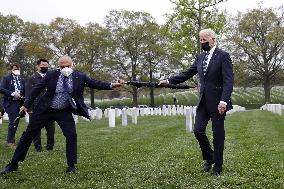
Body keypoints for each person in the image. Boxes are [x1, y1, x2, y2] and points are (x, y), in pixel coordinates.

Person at [0, 55, 124, 174]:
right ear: (58, 66)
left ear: (72, 65)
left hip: (63, 111)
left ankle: (71, 165)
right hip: (45, 109)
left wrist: (112, 85)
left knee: (71, 135)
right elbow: (36, 89)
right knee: (28, 134)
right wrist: (26, 104)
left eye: (67, 66)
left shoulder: (79, 77)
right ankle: (13, 164)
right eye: (61, 66)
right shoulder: (51, 75)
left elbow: (95, 83)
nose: (65, 69)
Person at [159, 29, 234, 177]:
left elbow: (228, 81)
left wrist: (224, 101)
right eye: (200, 40)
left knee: (218, 135)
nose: (202, 43)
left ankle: (217, 167)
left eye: (204, 39)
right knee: (198, 130)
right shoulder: (200, 57)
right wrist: (168, 81)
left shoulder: (223, 56)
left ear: (213, 38)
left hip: (218, 103)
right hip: (203, 102)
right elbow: (187, 73)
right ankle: (209, 157)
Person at [25, 59, 55, 152]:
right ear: (37, 66)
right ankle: (38, 148)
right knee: (36, 130)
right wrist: (29, 108)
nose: (44, 67)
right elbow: (29, 94)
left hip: (50, 108)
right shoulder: (32, 78)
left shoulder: (51, 77)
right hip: (36, 108)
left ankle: (50, 147)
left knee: (51, 129)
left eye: (46, 65)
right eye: (42, 65)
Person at [0, 63, 25, 148]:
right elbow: (1, 88)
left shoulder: (21, 79)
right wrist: (13, 94)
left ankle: (11, 139)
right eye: (14, 69)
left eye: (18, 69)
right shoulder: (6, 78)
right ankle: (10, 142)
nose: (17, 70)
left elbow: (24, 89)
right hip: (11, 102)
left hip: (20, 103)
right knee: (13, 121)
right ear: (11, 70)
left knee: (16, 121)